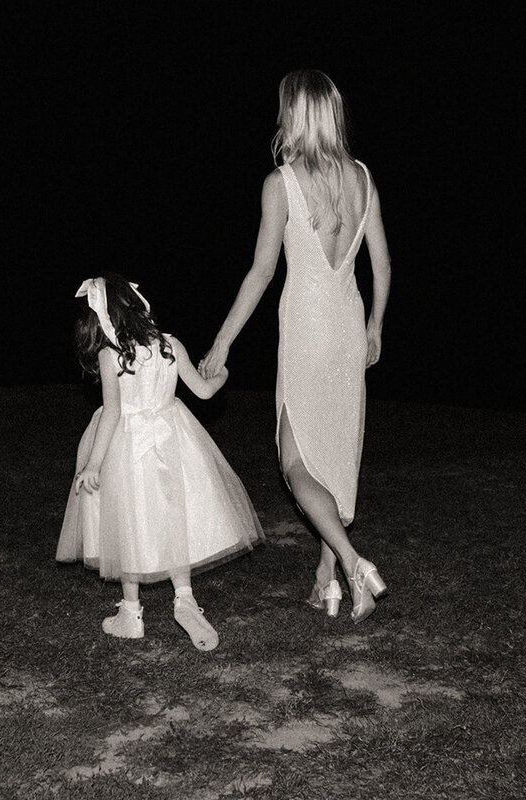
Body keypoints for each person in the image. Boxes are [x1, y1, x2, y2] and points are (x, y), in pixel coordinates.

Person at [199, 69, 391, 623]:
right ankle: (325, 577)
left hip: (308, 329)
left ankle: (355, 566)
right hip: (350, 326)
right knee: (331, 458)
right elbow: (381, 263)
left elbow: (261, 274)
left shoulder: (280, 183)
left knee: (295, 461)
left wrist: (221, 343)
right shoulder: (363, 178)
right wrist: (376, 325)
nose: (278, 116)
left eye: (284, 107)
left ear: (297, 115)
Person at [57, 274, 263, 651]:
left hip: (127, 445)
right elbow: (202, 391)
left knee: (129, 522)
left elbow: (113, 413)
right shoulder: (170, 344)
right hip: (173, 438)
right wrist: (222, 375)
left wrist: (94, 464)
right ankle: (184, 598)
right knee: (174, 515)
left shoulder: (111, 356)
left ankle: (131, 612)